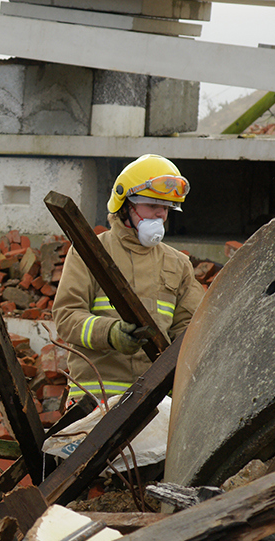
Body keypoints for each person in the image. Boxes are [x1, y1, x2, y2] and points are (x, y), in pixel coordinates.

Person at [52, 154, 205, 405]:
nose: (160, 216)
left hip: (154, 404)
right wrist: (110, 333)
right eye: (152, 205)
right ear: (125, 205)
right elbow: (66, 317)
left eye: (165, 208)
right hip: (94, 400)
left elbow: (189, 333)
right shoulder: (89, 252)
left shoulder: (178, 264)